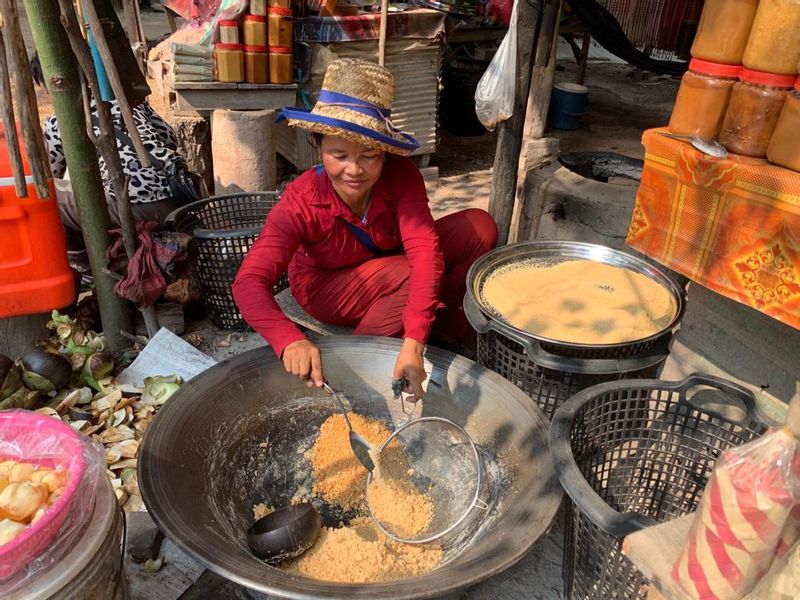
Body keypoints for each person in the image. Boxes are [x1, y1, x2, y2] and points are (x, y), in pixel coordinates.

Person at [233, 58, 497, 399]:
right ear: (318, 144)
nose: (354, 170)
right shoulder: (301, 200)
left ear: (386, 153)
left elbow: (425, 250)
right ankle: (357, 364)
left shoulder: (401, 175)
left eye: (369, 156)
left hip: (388, 265)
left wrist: (414, 343)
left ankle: (434, 335)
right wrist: (290, 340)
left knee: (479, 227)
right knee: (410, 273)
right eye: (339, 155)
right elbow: (248, 283)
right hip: (325, 285)